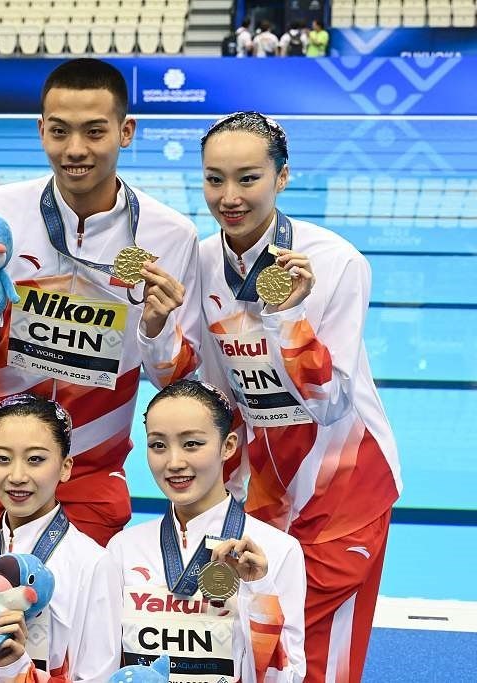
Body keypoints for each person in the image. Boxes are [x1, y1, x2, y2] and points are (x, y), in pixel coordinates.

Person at [0, 58, 201, 546]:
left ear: (126, 132)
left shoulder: (170, 234)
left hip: (92, 464)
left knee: (85, 593)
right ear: (41, 130)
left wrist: (155, 329)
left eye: (94, 131)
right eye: (60, 131)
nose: (75, 149)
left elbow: (175, 379)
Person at [196, 112, 401, 683]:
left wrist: (288, 318)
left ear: (282, 177)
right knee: (254, 648)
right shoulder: (203, 260)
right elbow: (215, 390)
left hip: (343, 493)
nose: (229, 197)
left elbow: (331, 402)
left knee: (316, 658)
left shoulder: (336, 263)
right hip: (261, 493)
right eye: (214, 179)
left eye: (248, 178)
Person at [107, 380, 306, 682]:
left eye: (192, 444)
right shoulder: (123, 548)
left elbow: (286, 678)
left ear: (228, 446)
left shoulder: (278, 551)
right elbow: (105, 664)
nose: (174, 462)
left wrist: (259, 590)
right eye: (158, 445)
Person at [0, 394, 120, 683]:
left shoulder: (92, 563)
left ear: (66, 467)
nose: (17, 476)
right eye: (2, 459)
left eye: (35, 459)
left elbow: (98, 678)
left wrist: (15, 668)